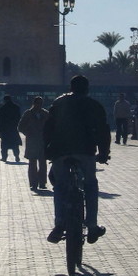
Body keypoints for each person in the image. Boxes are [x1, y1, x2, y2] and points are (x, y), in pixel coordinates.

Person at [43, 75, 110, 245]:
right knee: (90, 185)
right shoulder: (94, 105)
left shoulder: (58, 103)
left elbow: (48, 128)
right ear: (87, 88)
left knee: (60, 186)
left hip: (60, 151)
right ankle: (92, 225)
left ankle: (59, 224)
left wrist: (46, 150)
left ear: (70, 87)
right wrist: (103, 153)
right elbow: (103, 130)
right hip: (85, 151)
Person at [18, 96, 49, 191]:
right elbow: (20, 126)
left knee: (43, 163)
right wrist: (27, 133)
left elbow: (51, 126)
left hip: (43, 141)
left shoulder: (46, 114)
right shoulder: (28, 113)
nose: (39, 105)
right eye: (37, 103)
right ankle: (33, 183)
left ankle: (42, 183)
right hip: (32, 141)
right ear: (34, 103)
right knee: (32, 163)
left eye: (40, 103)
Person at [0, 95, 22, 162]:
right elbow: (19, 118)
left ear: (5, 100)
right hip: (13, 129)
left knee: (4, 145)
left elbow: (0, 120)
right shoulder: (16, 107)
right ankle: (17, 156)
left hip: (5, 130)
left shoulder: (3, 108)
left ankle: (4, 157)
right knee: (15, 145)